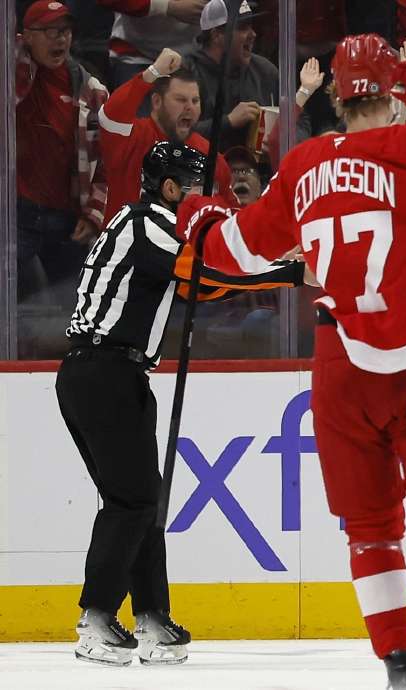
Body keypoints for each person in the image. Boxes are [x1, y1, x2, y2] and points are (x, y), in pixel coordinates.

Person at [177, 35, 406, 689]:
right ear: (393, 94)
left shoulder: (304, 164)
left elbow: (237, 251)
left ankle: (399, 669)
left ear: (338, 98)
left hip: (341, 366)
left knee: (370, 529)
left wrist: (200, 220)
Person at [59, 142, 304, 667]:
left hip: (108, 374)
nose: (202, 198)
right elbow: (203, 274)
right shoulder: (147, 223)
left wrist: (279, 272)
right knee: (132, 502)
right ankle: (96, 620)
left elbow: (200, 289)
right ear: (169, 188)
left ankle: (153, 620)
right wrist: (285, 272)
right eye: (194, 188)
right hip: (106, 373)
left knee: (141, 500)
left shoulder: (148, 229)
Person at [15, 0, 109, 307]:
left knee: (73, 312)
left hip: (67, 221)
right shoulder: (12, 71)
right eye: (50, 31)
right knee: (17, 308)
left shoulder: (93, 92)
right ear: (27, 36)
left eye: (65, 31)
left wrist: (94, 214)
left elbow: (105, 162)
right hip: (17, 216)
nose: (61, 39)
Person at [98, 47, 232, 223]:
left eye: (195, 101)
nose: (190, 107)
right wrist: (152, 72)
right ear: (156, 101)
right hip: (129, 239)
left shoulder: (211, 157)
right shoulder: (131, 137)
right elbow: (109, 116)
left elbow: (229, 216)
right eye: (181, 99)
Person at [184, 0, 278, 153]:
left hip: (257, 165)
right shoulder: (186, 73)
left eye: (251, 26)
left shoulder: (264, 70)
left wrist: (281, 139)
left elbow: (300, 120)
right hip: (203, 164)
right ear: (216, 35)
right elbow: (177, 131)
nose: (253, 34)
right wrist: (228, 122)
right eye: (242, 28)